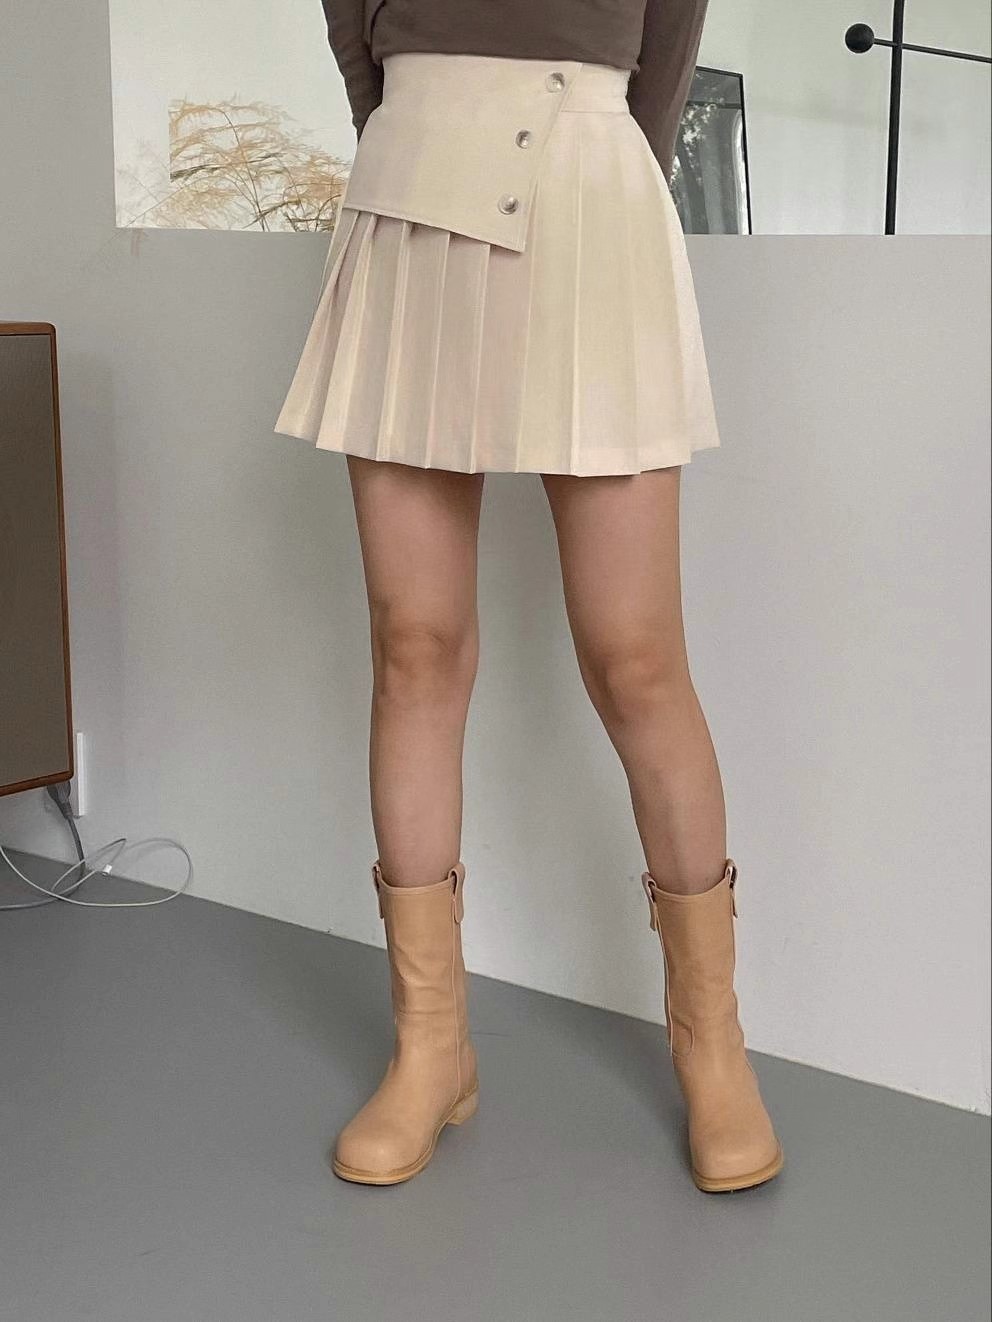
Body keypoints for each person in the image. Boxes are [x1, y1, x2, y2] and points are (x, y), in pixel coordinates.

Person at [273, 0, 783, 1194]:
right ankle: (430, 1046)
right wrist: (403, 120)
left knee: (634, 656)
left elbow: (667, 32)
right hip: (411, 175)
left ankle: (712, 1044)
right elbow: (353, 21)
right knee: (413, 642)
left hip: (589, 181)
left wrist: (596, 159)